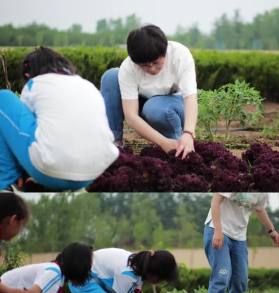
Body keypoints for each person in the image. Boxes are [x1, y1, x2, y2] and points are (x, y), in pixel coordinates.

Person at [0, 47, 119, 190]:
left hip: (49, 172)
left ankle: (7, 182)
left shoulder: (35, 84)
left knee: (3, 98)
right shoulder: (88, 85)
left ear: (28, 73)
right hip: (92, 174)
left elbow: (17, 132)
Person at [100, 25, 197, 159]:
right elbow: (131, 116)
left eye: (156, 63)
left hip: (171, 106)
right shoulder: (128, 67)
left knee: (154, 108)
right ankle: (114, 143)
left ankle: (176, 141)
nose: (151, 69)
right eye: (144, 65)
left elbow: (190, 97)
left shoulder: (179, 55)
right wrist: (162, 143)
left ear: (165, 51)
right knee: (111, 76)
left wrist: (188, 133)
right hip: (144, 105)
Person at [203, 193, 279, 293]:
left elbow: (259, 209)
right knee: (221, 277)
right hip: (218, 230)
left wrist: (272, 230)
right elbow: (215, 202)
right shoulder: (236, 178)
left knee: (240, 281)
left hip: (239, 238)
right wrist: (218, 231)